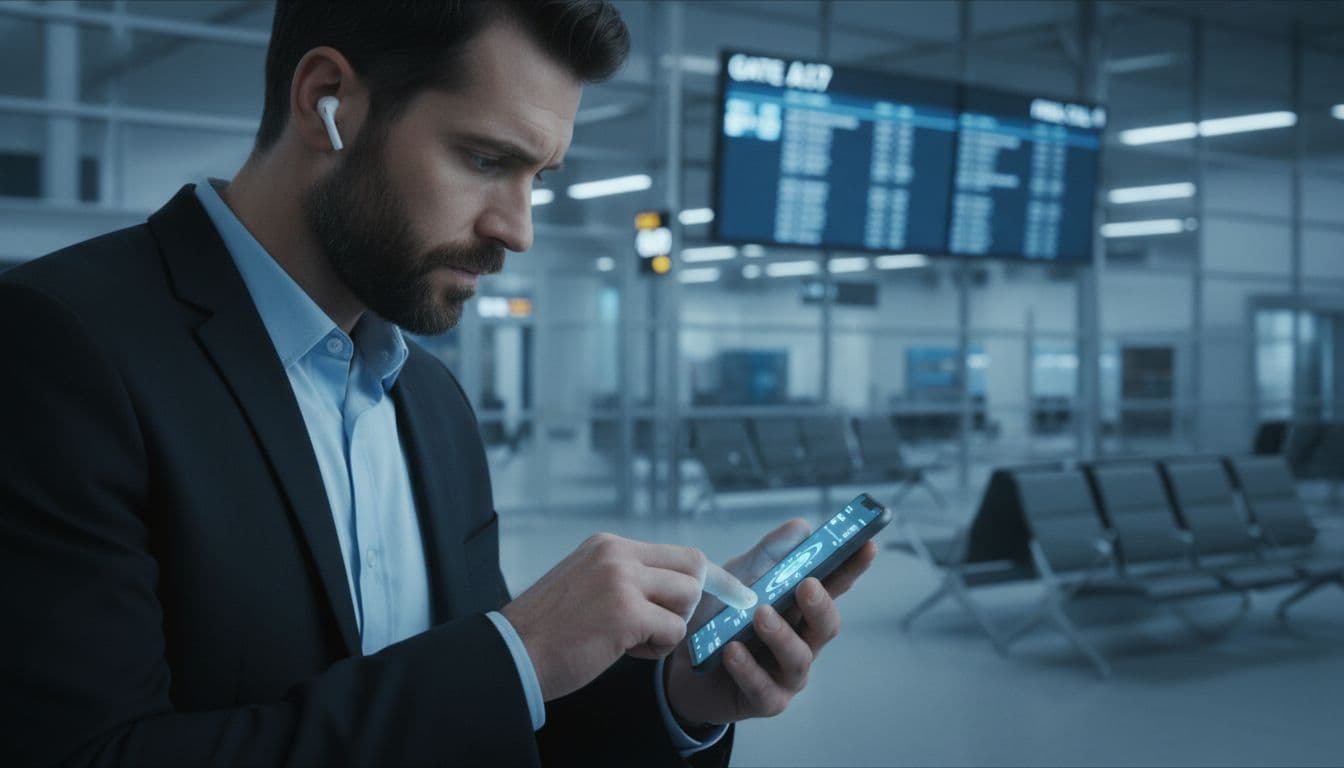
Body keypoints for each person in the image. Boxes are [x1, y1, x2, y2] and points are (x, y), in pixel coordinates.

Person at [0, 1, 877, 765]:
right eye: (486, 160)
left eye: (539, 177)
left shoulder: (431, 405)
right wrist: (514, 652)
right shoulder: (58, 347)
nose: (518, 229)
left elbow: (475, 725)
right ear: (325, 102)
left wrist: (677, 699)